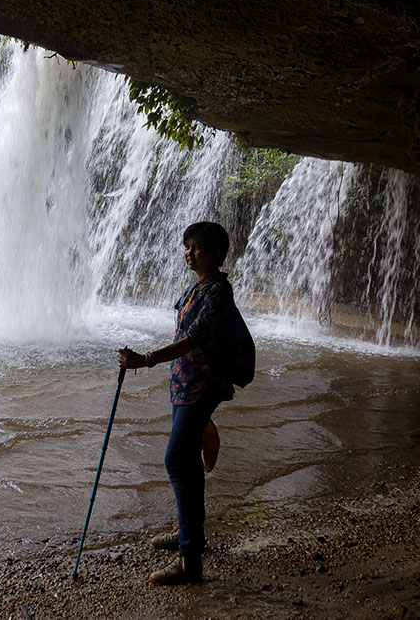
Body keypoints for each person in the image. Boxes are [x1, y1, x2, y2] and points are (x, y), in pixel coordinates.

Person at [116, 221, 238, 585]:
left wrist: (146, 359)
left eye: (197, 247)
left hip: (202, 386)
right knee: (187, 463)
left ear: (216, 252)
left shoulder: (218, 292)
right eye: (186, 246)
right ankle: (190, 535)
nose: (189, 252)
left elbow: (193, 339)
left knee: (176, 460)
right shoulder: (197, 287)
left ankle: (190, 562)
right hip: (186, 385)